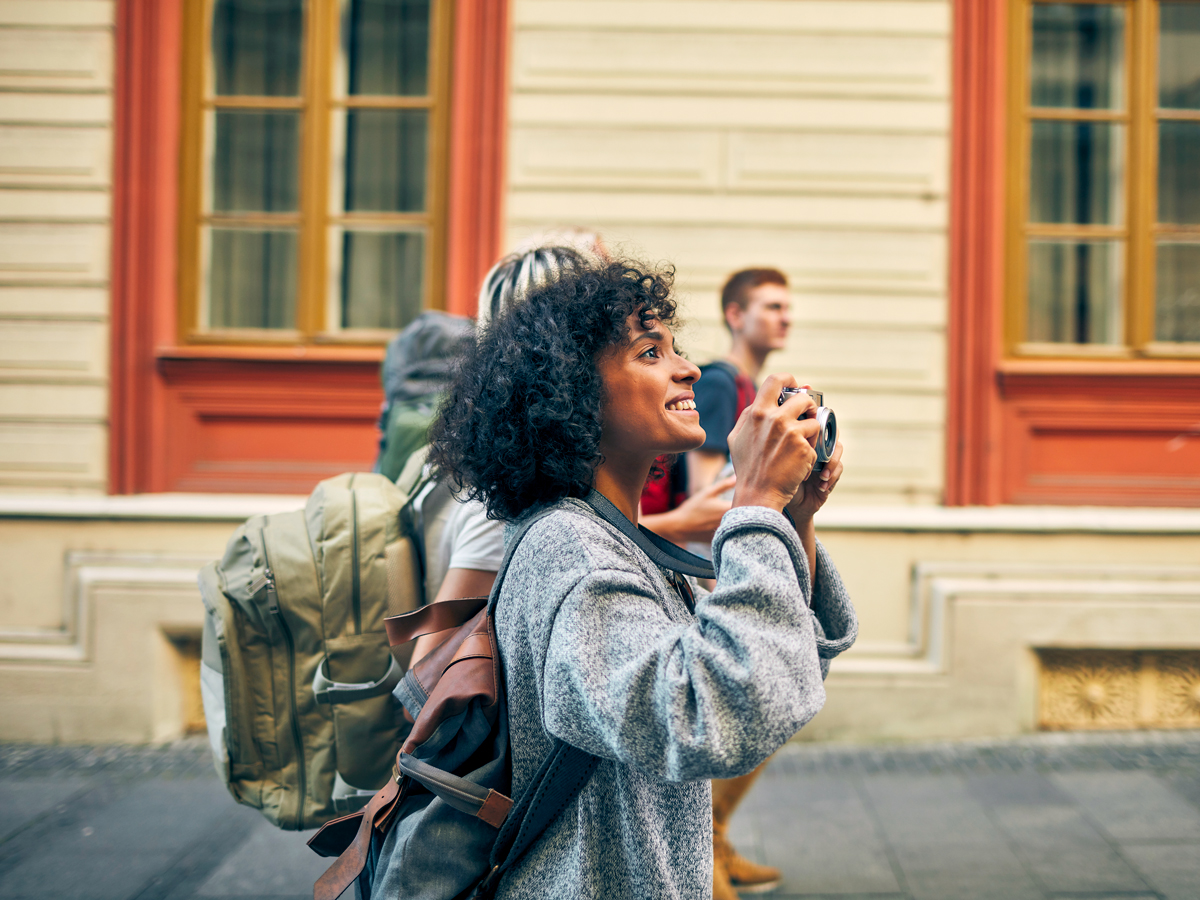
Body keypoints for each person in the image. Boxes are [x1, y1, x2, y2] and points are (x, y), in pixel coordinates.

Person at [429, 253, 857, 899]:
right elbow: (718, 715)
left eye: (675, 348)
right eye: (650, 352)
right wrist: (756, 503)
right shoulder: (569, 550)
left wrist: (793, 518)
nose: (688, 368)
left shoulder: (614, 538)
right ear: (573, 391)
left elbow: (782, 673)